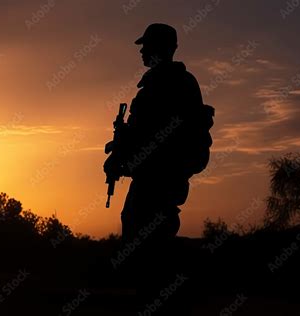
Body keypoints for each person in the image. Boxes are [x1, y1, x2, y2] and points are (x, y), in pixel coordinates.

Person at [104, 23, 211, 315]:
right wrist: (120, 155)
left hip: (161, 179)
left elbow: (156, 136)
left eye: (146, 46)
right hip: (154, 176)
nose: (141, 51)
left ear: (162, 48)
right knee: (143, 241)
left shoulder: (173, 84)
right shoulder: (158, 83)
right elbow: (143, 134)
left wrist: (126, 153)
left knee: (150, 244)